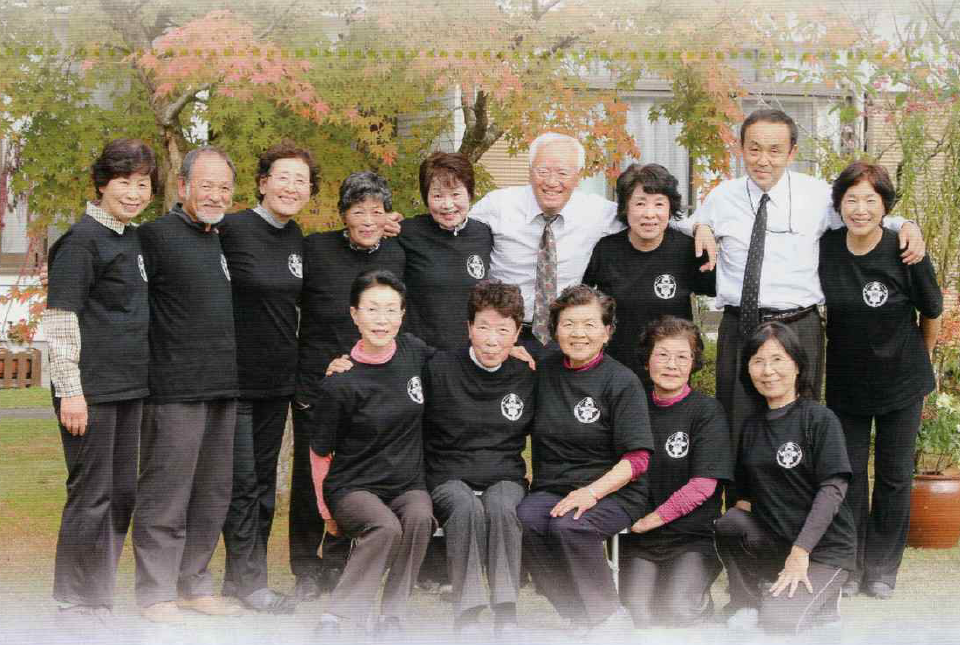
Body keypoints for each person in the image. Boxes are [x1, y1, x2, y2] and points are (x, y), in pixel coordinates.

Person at [690, 108, 926, 457]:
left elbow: (860, 214)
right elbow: (682, 223)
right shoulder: (721, 197)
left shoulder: (816, 195)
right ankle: (739, 493)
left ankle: (801, 493)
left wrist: (905, 224)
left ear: (792, 153)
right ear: (741, 149)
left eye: (775, 150)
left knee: (801, 429)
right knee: (736, 426)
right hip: (740, 325)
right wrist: (701, 226)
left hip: (798, 325)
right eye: (754, 149)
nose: (763, 160)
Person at [45, 139, 157, 623]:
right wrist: (71, 392)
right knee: (91, 495)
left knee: (121, 495)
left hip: (129, 388)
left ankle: (99, 597)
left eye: (143, 184)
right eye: (124, 183)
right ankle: (74, 601)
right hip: (89, 393)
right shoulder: (80, 242)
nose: (134, 193)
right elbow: (60, 322)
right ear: (102, 184)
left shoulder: (131, 238)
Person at [819, 161, 942, 600]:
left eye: (870, 200)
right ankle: (850, 566)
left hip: (902, 382)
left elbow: (932, 310)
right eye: (851, 199)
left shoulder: (904, 249)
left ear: (885, 206)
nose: (860, 209)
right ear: (839, 205)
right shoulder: (826, 248)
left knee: (894, 476)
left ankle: (882, 570)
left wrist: (923, 359)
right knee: (850, 475)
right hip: (847, 383)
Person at [132, 146, 241, 623]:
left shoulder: (220, 238)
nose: (216, 195)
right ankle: (155, 592)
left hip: (223, 386)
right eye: (206, 185)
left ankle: (193, 584)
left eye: (224, 187)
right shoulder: (153, 237)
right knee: (167, 493)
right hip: (173, 389)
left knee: (213, 494)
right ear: (182, 187)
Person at [290, 171, 406, 600]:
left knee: (353, 477)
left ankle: (340, 563)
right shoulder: (315, 249)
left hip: (373, 387)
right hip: (318, 386)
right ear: (343, 213)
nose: (368, 220)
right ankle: (306, 567)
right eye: (358, 211)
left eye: (377, 211)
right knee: (310, 480)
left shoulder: (397, 253)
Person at [516, 284, 653, 632]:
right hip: (553, 487)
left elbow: (638, 459)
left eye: (590, 325)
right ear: (555, 330)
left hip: (614, 490)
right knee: (523, 520)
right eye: (569, 324)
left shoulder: (622, 381)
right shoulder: (543, 370)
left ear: (607, 332)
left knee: (571, 524)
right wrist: (508, 355)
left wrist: (591, 493)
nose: (579, 333)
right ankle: (576, 614)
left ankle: (609, 617)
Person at [307, 269, 434, 639]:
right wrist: (325, 511)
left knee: (420, 516)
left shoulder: (414, 352)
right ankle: (337, 617)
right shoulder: (340, 380)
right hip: (353, 486)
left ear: (402, 314)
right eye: (372, 309)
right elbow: (319, 451)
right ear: (354, 314)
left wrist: (509, 349)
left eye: (391, 310)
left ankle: (392, 615)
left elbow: (459, 364)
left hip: (406, 483)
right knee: (385, 527)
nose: (382, 319)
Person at [217, 142, 316, 613]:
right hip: (233, 382)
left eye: (301, 181)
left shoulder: (296, 236)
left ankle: (240, 580)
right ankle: (250, 583)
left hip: (278, 384)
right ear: (262, 183)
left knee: (262, 487)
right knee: (241, 485)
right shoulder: (232, 228)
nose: (291, 187)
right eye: (283, 177)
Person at [714, 322, 857, 634]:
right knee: (731, 522)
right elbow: (745, 499)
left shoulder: (819, 419)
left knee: (779, 623)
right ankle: (747, 601)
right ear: (748, 370)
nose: (768, 371)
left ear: (797, 365)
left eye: (777, 359)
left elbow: (833, 490)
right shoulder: (751, 427)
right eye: (758, 361)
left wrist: (800, 551)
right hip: (778, 543)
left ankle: (825, 600)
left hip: (823, 549)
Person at [423, 280, 536, 637]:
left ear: (517, 333)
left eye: (503, 330)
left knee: (502, 506)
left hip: (504, 477)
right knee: (465, 506)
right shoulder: (438, 368)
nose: (491, 340)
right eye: (483, 327)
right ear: (469, 327)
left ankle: (506, 612)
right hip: (448, 476)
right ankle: (468, 613)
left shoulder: (527, 374)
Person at [619, 316, 732, 628]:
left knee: (677, 610)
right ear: (647, 360)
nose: (672, 365)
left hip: (691, 537)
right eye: (663, 355)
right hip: (640, 539)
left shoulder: (707, 411)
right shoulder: (632, 406)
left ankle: (698, 605)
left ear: (694, 363)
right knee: (638, 615)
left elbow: (703, 486)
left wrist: (650, 520)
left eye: (682, 356)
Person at [469, 133, 624, 357]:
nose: (552, 182)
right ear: (530, 171)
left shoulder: (596, 211)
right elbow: (455, 228)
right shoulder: (498, 205)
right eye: (542, 171)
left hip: (564, 336)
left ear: (578, 176)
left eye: (563, 173)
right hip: (503, 334)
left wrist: (687, 228)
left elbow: (651, 219)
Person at [583, 163, 715, 377]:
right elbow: (583, 302)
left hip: (671, 374)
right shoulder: (605, 250)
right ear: (626, 207)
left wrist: (705, 229)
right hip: (614, 373)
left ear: (670, 208)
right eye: (640, 203)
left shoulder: (688, 249)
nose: (649, 214)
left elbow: (717, 290)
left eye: (659, 204)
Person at [399, 151, 492, 350]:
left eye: (456, 194)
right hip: (420, 353)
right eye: (438, 196)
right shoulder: (406, 233)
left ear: (470, 194)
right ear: (426, 198)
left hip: (470, 354)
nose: (448, 205)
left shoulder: (484, 234)